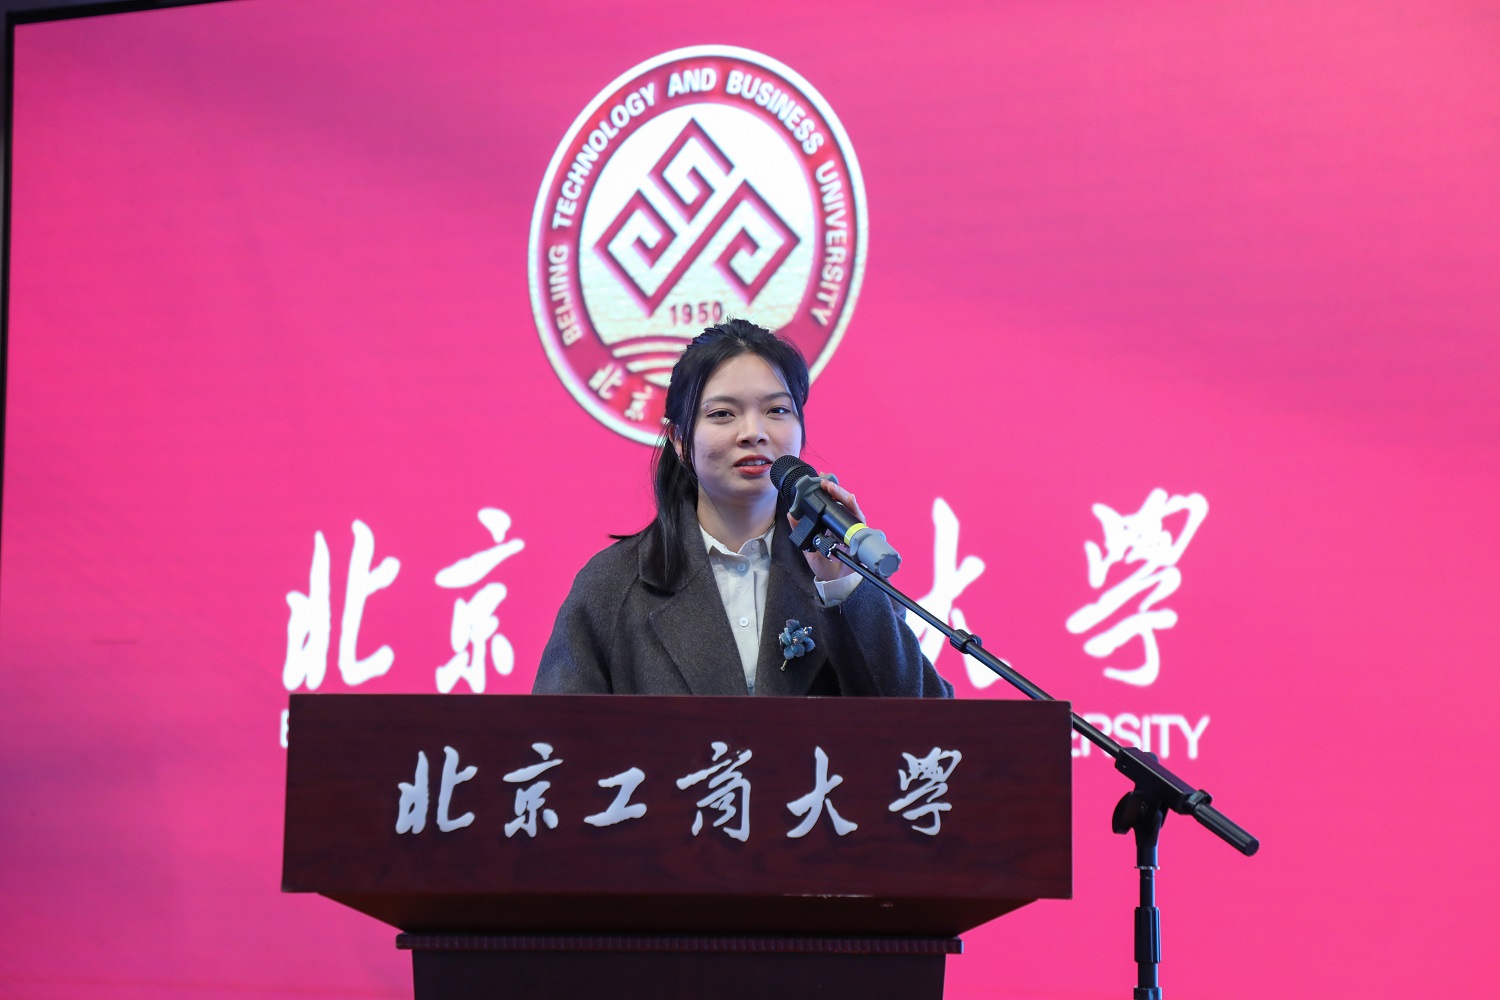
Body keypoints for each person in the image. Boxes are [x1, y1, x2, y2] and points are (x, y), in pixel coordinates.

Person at [533, 319, 952, 698]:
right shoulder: (612, 585)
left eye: (777, 410)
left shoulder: (842, 569)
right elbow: (554, 742)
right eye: (723, 414)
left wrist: (842, 587)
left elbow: (925, 732)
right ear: (679, 440)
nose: (753, 432)